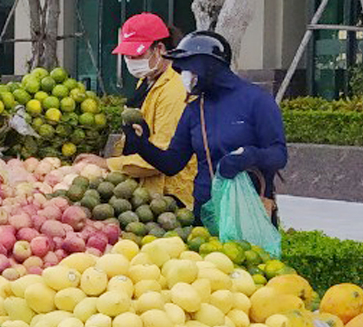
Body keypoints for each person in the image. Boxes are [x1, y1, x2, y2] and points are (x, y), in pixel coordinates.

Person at [121, 31, 287, 221]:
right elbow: (172, 163)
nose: (184, 76)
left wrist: (249, 156)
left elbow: (279, 154)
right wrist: (141, 144)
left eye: (187, 69)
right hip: (207, 212)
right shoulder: (194, 108)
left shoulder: (256, 100)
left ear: (209, 65)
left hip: (248, 211)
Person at [111, 13, 196, 209]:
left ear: (159, 49)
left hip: (170, 197)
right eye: (128, 54)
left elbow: (163, 153)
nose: (131, 60)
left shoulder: (176, 88)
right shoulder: (146, 79)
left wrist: (109, 165)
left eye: (137, 54)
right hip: (143, 191)